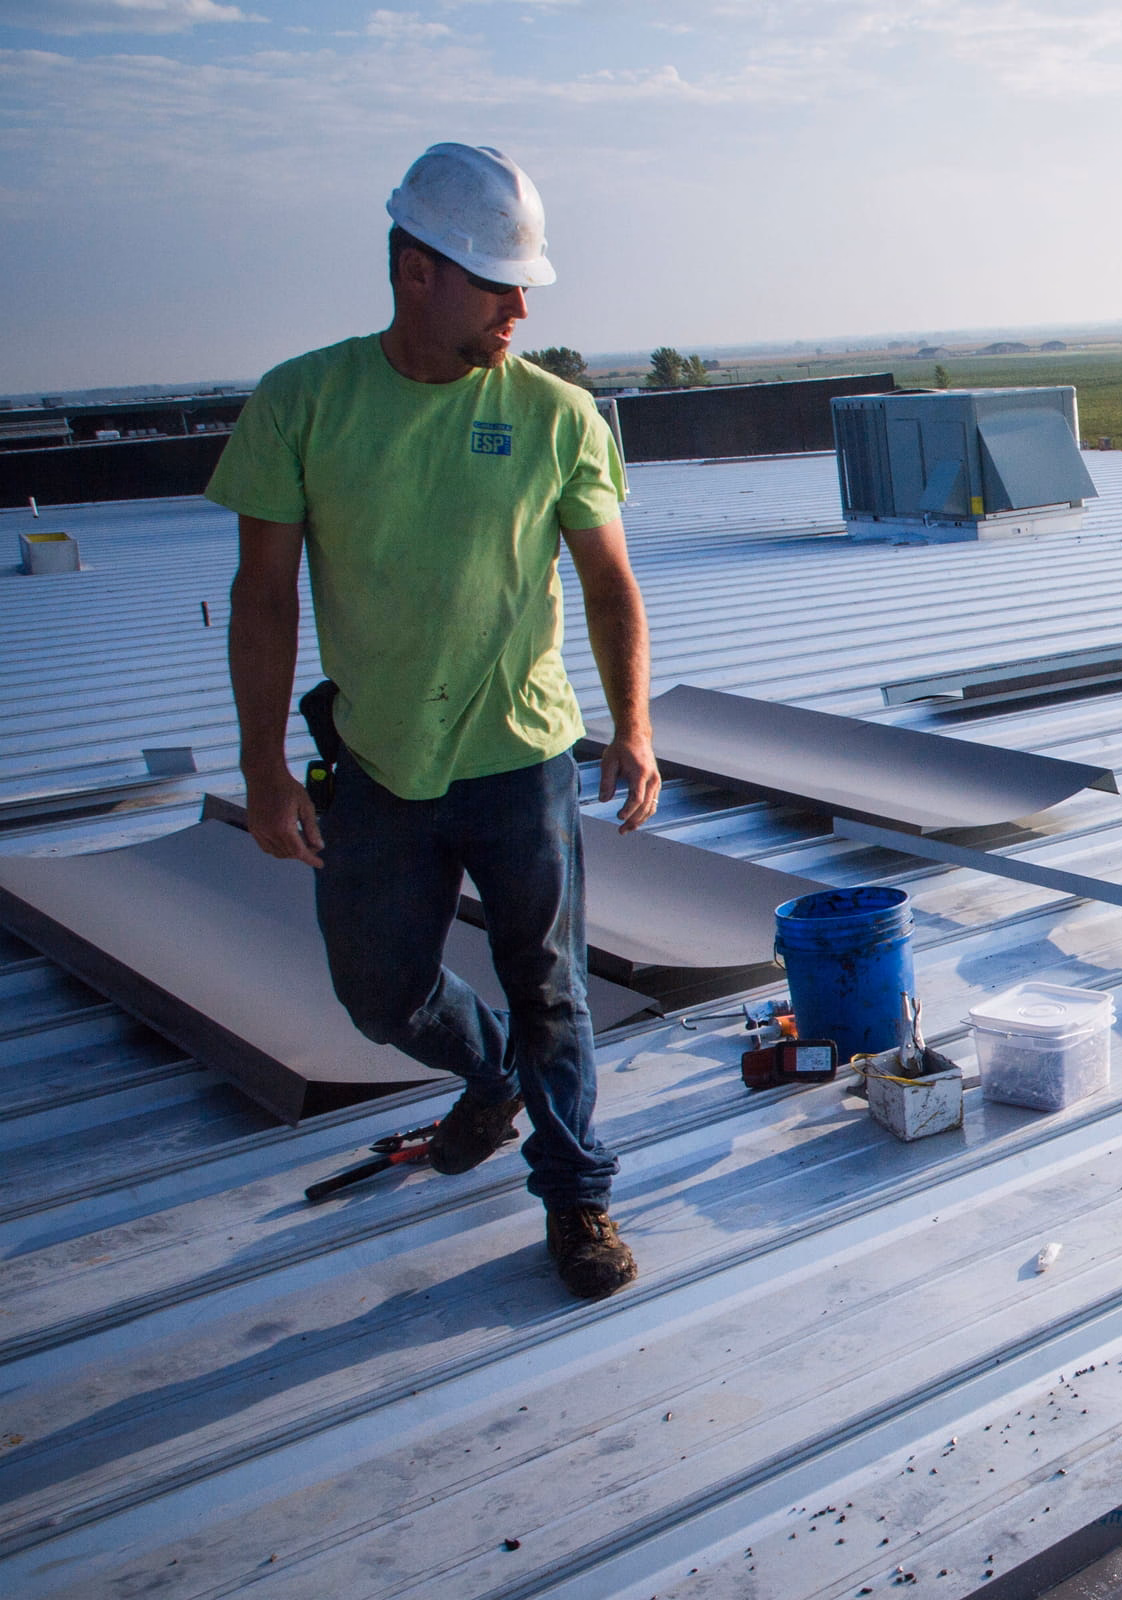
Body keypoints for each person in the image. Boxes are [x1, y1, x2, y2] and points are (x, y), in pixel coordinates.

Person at [210, 143, 660, 1299]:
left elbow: (608, 583)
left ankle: (579, 1201)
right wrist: (264, 766)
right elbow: (263, 595)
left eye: (525, 285)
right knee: (377, 989)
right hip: (376, 761)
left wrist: (633, 727)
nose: (521, 306)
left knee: (551, 987)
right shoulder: (304, 403)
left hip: (522, 759)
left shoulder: (556, 416)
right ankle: (488, 1073)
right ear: (415, 270)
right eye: (496, 281)